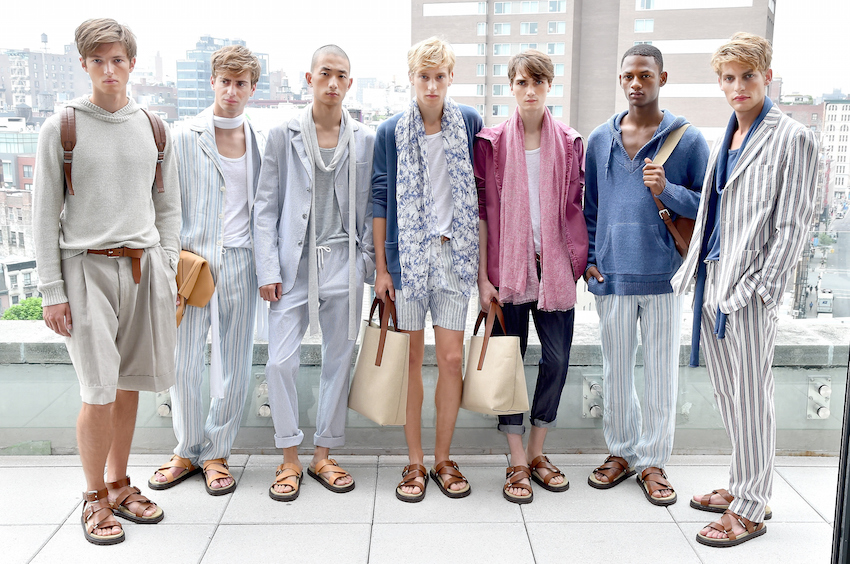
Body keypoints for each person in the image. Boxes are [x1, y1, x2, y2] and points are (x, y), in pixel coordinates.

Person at [33, 18, 180, 545]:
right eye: (99, 60)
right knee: (97, 391)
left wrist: (164, 266)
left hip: (143, 268)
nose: (109, 69)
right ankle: (94, 498)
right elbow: (44, 214)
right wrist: (52, 291)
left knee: (129, 385)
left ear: (132, 63)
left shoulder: (154, 126)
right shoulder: (62, 127)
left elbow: (168, 207)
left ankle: (119, 483)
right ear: (84, 64)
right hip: (86, 268)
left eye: (118, 59)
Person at [673, 32, 818, 547]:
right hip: (713, 281)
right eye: (728, 78)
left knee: (753, 398)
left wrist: (761, 287)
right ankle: (741, 486)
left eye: (747, 76)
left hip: (748, 291)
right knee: (730, 396)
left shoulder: (792, 137)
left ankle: (753, 508)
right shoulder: (729, 133)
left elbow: (795, 225)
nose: (738, 86)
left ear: (767, 77)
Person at [584, 45, 708, 506]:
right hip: (611, 276)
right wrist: (590, 261)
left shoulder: (688, 140)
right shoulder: (600, 139)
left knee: (659, 376)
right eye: (627, 76)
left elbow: (708, 207)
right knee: (616, 372)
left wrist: (667, 188)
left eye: (645, 75)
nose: (635, 83)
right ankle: (620, 452)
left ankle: (653, 462)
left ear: (662, 78)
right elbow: (590, 207)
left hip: (663, 277)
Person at [254, 45, 375, 501]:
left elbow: (370, 207)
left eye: (341, 75)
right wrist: (269, 267)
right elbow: (265, 206)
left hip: (344, 260)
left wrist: (364, 262)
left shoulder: (364, 138)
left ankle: (324, 453)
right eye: (325, 73)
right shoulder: (283, 134)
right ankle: (289, 457)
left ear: (349, 83)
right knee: (280, 361)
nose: (332, 83)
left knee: (338, 360)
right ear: (309, 78)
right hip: (293, 262)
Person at [149, 45, 263, 496]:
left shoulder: (259, 141)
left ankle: (217, 452)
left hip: (242, 259)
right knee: (184, 359)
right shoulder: (182, 137)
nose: (232, 91)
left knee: (235, 360)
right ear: (212, 82)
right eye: (225, 81)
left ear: (252, 88)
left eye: (241, 83)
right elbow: (164, 205)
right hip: (190, 263)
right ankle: (186, 448)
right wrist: (168, 265)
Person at [372, 36, 482, 502]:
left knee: (452, 360)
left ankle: (443, 458)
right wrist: (381, 268)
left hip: (455, 255)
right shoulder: (390, 131)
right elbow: (379, 199)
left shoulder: (471, 124)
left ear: (451, 77)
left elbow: (484, 197)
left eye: (440, 76)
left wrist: (484, 272)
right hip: (409, 259)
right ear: (411, 78)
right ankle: (415, 461)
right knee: (414, 361)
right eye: (424, 76)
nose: (432, 85)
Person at [474, 50, 586, 504]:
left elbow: (579, 206)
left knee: (556, 361)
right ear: (511, 87)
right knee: (509, 363)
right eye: (521, 82)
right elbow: (482, 214)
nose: (529, 90)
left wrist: (580, 259)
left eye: (537, 81)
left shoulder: (571, 141)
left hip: (555, 269)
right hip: (508, 271)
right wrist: (484, 278)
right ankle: (516, 458)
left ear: (549, 85)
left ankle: (538, 451)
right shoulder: (493, 142)